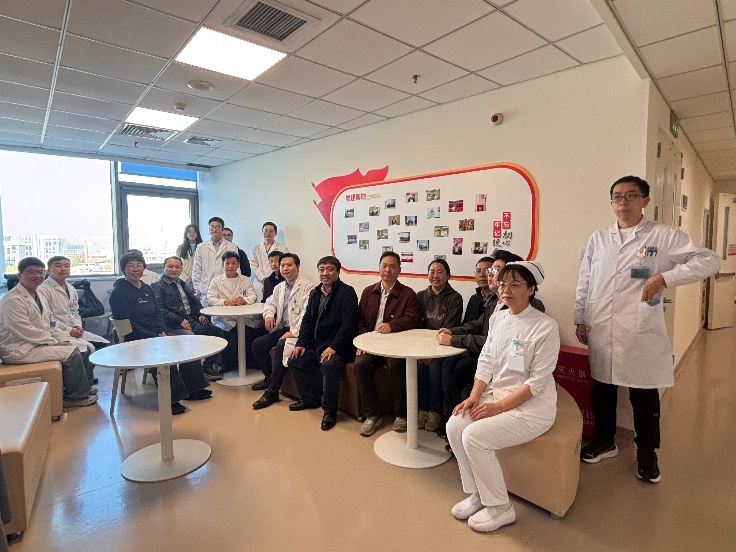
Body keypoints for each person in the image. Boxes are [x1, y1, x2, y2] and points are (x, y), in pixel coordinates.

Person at [575, 175, 719, 483]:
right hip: (600, 326)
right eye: (617, 197)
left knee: (643, 396)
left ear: (645, 200)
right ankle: (605, 441)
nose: (623, 202)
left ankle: (647, 453)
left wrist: (665, 278)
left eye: (630, 196)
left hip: (638, 330)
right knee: (603, 390)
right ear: (611, 202)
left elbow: (709, 260)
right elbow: (585, 280)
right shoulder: (598, 239)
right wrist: (579, 317)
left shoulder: (663, 236)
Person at [448, 261, 558, 532]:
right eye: (502, 283)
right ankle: (478, 493)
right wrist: (475, 396)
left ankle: (501, 508)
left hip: (531, 408)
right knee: (455, 424)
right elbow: (485, 360)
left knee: (474, 436)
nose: (505, 289)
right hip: (496, 395)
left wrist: (497, 407)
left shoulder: (545, 327)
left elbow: (537, 383)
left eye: (514, 284)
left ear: (531, 289)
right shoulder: (498, 317)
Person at [437, 251, 546, 413]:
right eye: (492, 270)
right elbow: (478, 325)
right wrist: (452, 332)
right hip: (488, 359)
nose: (490, 274)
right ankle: (449, 413)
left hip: (512, 370)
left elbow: (499, 344)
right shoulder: (493, 302)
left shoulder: (533, 309)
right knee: (451, 370)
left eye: (496, 270)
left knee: (461, 379)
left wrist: (454, 340)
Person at [110, 250, 212, 415]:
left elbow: (158, 314)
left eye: (139, 265)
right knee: (163, 354)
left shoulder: (146, 288)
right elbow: (127, 323)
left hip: (156, 335)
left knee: (189, 345)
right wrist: (153, 336)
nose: (135, 269)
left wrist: (162, 331)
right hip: (134, 339)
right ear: (123, 269)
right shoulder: (119, 292)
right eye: (131, 266)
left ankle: (194, 389)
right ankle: (171, 399)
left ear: (144, 268)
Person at [0, 257, 97, 408]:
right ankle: (75, 396)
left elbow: (49, 322)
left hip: (37, 341)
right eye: (31, 272)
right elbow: (25, 330)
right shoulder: (12, 300)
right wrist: (54, 342)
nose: (37, 276)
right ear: (19, 275)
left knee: (84, 348)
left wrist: (59, 336)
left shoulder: (38, 295)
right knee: (72, 353)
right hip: (19, 348)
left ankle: (83, 387)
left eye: (40, 272)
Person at [286, 256, 360, 431]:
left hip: (339, 346)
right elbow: (307, 320)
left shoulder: (347, 292)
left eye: (330, 269)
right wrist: (301, 343)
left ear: (338, 272)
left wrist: (334, 347)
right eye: (321, 269)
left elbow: (348, 325)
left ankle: (329, 412)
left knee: (330, 365)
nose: (325, 273)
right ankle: (310, 399)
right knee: (295, 360)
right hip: (317, 344)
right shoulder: (315, 293)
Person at [355, 251, 420, 436]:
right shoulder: (368, 292)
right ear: (379, 268)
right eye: (384, 266)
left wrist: (392, 325)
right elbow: (359, 320)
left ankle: (401, 414)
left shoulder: (407, 294)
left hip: (396, 345)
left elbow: (413, 318)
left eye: (392, 266)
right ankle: (372, 415)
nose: (388, 270)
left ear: (399, 270)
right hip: (371, 344)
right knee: (361, 365)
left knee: (397, 365)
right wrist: (362, 342)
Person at [250, 253, 314, 397]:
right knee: (257, 344)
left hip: (299, 330)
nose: (285, 268)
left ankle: (273, 391)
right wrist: (269, 315)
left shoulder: (308, 287)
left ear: (298, 267)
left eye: (289, 265)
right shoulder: (279, 287)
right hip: (283, 328)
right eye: (282, 265)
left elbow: (307, 314)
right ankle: (269, 377)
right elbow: (270, 303)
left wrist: (294, 332)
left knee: (281, 345)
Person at [151, 256, 225, 381]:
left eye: (177, 267)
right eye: (170, 266)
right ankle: (191, 379)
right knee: (190, 338)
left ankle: (206, 367)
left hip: (190, 321)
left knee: (217, 332)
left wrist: (201, 314)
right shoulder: (157, 286)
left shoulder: (182, 284)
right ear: (163, 267)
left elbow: (195, 302)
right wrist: (179, 320)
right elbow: (159, 309)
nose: (174, 269)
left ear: (181, 269)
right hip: (172, 326)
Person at [38, 255, 105, 384]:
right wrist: (69, 330)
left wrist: (77, 326)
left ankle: (86, 380)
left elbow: (75, 311)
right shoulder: (43, 290)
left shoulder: (71, 288)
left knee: (96, 346)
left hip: (72, 330)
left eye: (66, 266)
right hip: (54, 331)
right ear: (49, 270)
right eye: (58, 266)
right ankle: (79, 384)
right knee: (85, 348)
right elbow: (48, 318)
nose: (63, 269)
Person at [416, 259, 463, 432]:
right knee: (418, 367)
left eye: (440, 272)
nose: (435, 276)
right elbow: (417, 326)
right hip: (422, 346)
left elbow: (449, 327)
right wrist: (423, 351)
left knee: (434, 368)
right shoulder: (420, 296)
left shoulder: (455, 298)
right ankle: (421, 409)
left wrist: (432, 352)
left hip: (444, 346)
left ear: (448, 275)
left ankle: (435, 411)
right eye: (432, 272)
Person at [207, 251, 258, 373]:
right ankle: (228, 365)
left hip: (243, 319)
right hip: (224, 320)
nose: (230, 266)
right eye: (227, 263)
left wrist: (243, 300)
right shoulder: (216, 281)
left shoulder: (246, 280)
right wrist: (225, 302)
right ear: (222, 265)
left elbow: (253, 296)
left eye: (233, 263)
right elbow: (210, 299)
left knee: (251, 335)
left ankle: (248, 364)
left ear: (238, 265)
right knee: (231, 339)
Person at [192, 217, 239, 306]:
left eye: (217, 227)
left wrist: (235, 287)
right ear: (209, 229)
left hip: (226, 288)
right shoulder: (201, 247)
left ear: (222, 229)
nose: (214, 229)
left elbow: (236, 269)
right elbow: (197, 269)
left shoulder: (231, 247)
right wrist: (197, 288)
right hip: (206, 287)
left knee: (225, 312)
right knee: (207, 313)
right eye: (212, 227)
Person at [250, 221, 289, 302]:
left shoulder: (282, 248)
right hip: (259, 282)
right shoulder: (255, 248)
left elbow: (284, 264)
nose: (268, 233)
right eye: (266, 231)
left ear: (275, 233)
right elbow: (253, 265)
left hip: (277, 280)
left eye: (271, 231)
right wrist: (263, 279)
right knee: (260, 304)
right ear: (262, 232)